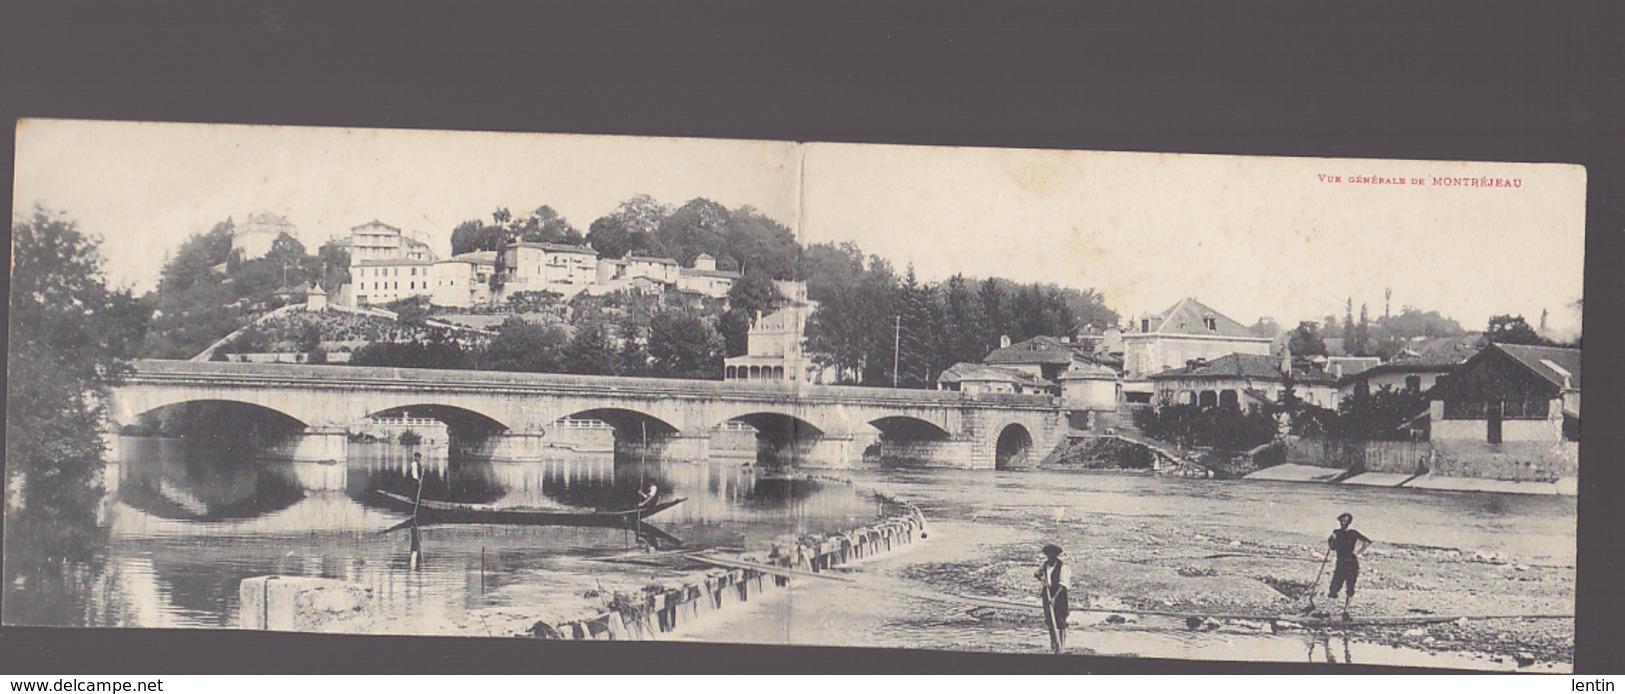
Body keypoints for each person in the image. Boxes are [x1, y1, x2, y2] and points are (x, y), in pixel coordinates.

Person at [1327, 512, 1372, 621]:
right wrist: (1331, 539)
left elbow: (1367, 542)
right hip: (1340, 562)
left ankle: (1346, 612)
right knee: (1334, 586)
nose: (1344, 523)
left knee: (1350, 586)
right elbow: (1332, 548)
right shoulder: (1336, 532)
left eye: (1346, 521)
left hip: (1351, 562)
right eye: (1342, 521)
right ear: (1340, 521)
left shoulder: (1353, 533)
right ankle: (1327, 611)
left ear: (1349, 522)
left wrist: (1358, 552)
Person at [1034, 544, 1071, 654]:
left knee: (1060, 621)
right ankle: (1053, 645)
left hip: (1060, 596)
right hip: (1047, 594)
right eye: (1048, 555)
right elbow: (1036, 574)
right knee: (1050, 620)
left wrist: (1054, 598)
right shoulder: (1045, 565)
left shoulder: (1063, 568)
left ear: (1056, 556)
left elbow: (1063, 585)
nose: (1050, 557)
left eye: (1052, 555)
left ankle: (1061, 646)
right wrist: (1042, 580)